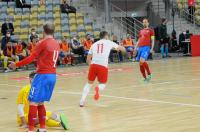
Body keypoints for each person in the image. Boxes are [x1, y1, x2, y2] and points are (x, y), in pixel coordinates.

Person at [9, 22, 60, 132]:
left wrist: (16, 64)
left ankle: (30, 130)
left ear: (43, 31)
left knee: (33, 103)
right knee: (41, 102)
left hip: (43, 76)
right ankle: (42, 129)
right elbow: (48, 58)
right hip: (52, 76)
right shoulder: (56, 43)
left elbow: (30, 58)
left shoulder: (42, 43)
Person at [79, 31, 125, 107]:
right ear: (106, 36)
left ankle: (82, 101)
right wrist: (124, 50)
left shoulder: (93, 44)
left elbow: (88, 60)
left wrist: (92, 67)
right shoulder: (108, 42)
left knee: (89, 84)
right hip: (102, 66)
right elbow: (121, 48)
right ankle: (98, 88)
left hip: (93, 65)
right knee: (102, 84)